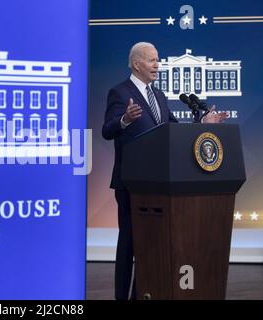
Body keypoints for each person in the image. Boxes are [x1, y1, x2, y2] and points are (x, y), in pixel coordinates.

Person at [101, 42, 227, 300]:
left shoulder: (158, 96)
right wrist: (124, 120)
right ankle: (121, 296)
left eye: (158, 60)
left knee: (152, 246)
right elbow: (107, 130)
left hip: (158, 186)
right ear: (137, 63)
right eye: (152, 60)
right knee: (129, 244)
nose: (157, 65)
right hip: (131, 184)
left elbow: (173, 131)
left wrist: (203, 123)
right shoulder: (120, 93)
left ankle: (143, 292)